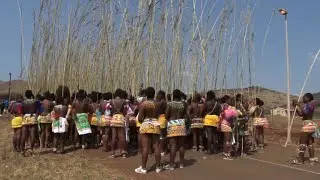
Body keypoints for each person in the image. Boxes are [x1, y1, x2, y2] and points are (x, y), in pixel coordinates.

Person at [135, 87, 162, 174]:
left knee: (145, 147)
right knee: (156, 146)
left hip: (146, 124)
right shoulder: (157, 104)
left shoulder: (144, 104)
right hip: (155, 124)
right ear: (154, 94)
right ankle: (158, 167)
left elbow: (139, 118)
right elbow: (158, 116)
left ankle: (143, 168)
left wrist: (143, 122)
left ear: (146, 95)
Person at [292, 93, 319, 164]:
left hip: (307, 125)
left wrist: (298, 105)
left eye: (304, 98)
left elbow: (306, 113)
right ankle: (312, 159)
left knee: (302, 142)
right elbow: (301, 114)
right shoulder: (308, 105)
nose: (303, 99)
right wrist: (295, 106)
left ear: (308, 98)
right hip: (310, 125)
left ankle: (300, 159)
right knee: (309, 142)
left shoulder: (310, 105)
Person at [164, 89, 188, 170]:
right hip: (181, 123)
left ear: (173, 96)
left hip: (172, 124)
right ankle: (181, 164)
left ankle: (171, 164)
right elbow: (186, 114)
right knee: (181, 145)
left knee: (173, 145)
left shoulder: (170, 104)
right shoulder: (183, 104)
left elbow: (166, 116)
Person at [110, 89, 128, 158]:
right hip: (121, 118)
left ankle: (112, 153)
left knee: (114, 136)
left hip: (114, 118)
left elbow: (110, 111)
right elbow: (125, 111)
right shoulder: (123, 101)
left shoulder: (112, 101)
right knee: (121, 136)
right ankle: (123, 152)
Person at [220, 95, 238, 160]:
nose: (230, 101)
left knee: (226, 140)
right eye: (229, 99)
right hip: (226, 125)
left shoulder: (223, 106)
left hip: (224, 124)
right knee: (228, 140)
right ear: (227, 100)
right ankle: (227, 155)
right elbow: (232, 115)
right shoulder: (227, 107)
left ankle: (225, 152)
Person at [155, 90, 167, 156]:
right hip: (162, 119)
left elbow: (156, 109)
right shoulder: (164, 102)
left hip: (161, 118)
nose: (157, 95)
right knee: (163, 135)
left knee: (161, 135)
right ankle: (163, 149)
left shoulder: (162, 102)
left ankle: (162, 150)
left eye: (158, 94)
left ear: (161, 95)